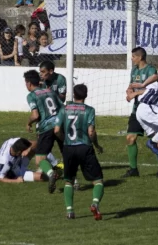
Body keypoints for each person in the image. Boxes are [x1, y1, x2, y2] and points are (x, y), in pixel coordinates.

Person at [54, 84, 104, 220]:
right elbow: (91, 132)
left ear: (74, 95)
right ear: (85, 95)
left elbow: (57, 130)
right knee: (98, 180)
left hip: (68, 148)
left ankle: (70, 211)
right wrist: (97, 145)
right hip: (85, 147)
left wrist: (65, 141)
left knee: (68, 181)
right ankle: (94, 203)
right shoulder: (89, 110)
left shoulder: (64, 109)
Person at [24, 69, 64, 193]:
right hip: (59, 125)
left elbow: (35, 115)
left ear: (29, 83)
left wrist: (29, 123)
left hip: (46, 128)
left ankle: (51, 173)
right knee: (67, 154)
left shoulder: (31, 95)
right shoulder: (50, 90)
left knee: (39, 160)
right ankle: (74, 182)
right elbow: (62, 108)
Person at [122, 47, 157, 178]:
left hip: (150, 110)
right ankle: (133, 169)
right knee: (130, 138)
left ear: (140, 57)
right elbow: (131, 86)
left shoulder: (151, 70)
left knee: (156, 139)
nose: (132, 59)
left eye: (133, 56)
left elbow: (153, 90)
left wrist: (136, 93)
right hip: (136, 110)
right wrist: (129, 92)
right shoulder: (134, 70)